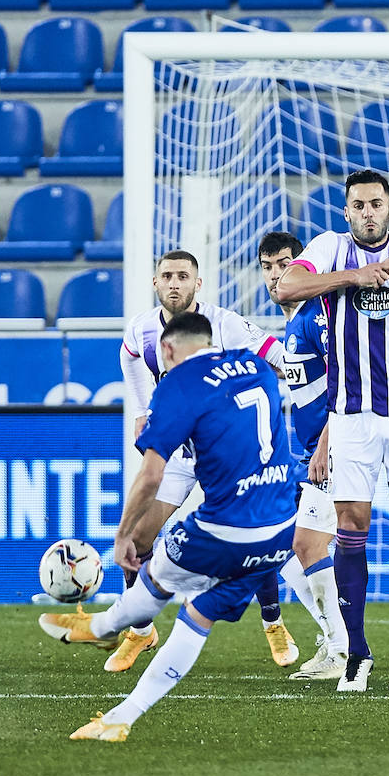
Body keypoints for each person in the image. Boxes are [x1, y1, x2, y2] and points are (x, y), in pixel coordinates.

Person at [40, 312, 300, 742]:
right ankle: (121, 717)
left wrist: (123, 535)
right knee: (196, 617)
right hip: (278, 529)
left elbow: (150, 475)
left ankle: (103, 628)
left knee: (157, 576)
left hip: (225, 529)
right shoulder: (254, 365)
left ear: (165, 350)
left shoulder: (177, 385)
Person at [274, 169, 389, 693]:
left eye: (376, 204)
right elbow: (287, 286)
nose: (368, 212)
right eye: (358, 205)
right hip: (349, 418)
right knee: (350, 530)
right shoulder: (327, 247)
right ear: (347, 213)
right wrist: (355, 277)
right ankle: (358, 653)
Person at [117, 249, 304, 673]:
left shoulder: (226, 324)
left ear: (198, 283)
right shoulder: (142, 330)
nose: (174, 283)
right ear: (155, 282)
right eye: (167, 275)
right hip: (182, 453)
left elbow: (278, 356)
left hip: (229, 456)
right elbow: (129, 358)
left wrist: (293, 399)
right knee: (141, 537)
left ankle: (273, 623)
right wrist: (142, 411)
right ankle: (141, 631)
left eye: (183, 276)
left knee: (250, 534)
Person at [258, 231, 348, 680]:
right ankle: (338, 643)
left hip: (340, 447)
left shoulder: (319, 315)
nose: (277, 275)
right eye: (268, 267)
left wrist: (327, 445)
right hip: (317, 450)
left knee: (307, 544)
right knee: (294, 546)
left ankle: (342, 649)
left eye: (285, 264)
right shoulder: (296, 321)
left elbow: (350, 381)